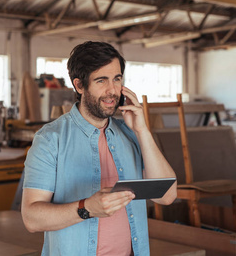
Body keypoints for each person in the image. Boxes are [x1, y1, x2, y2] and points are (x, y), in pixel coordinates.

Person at [21, 41, 177, 255]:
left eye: (117, 79)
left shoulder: (131, 134)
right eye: (101, 80)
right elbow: (31, 218)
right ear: (79, 85)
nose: (112, 91)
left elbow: (166, 196)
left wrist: (142, 131)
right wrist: (86, 208)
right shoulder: (50, 139)